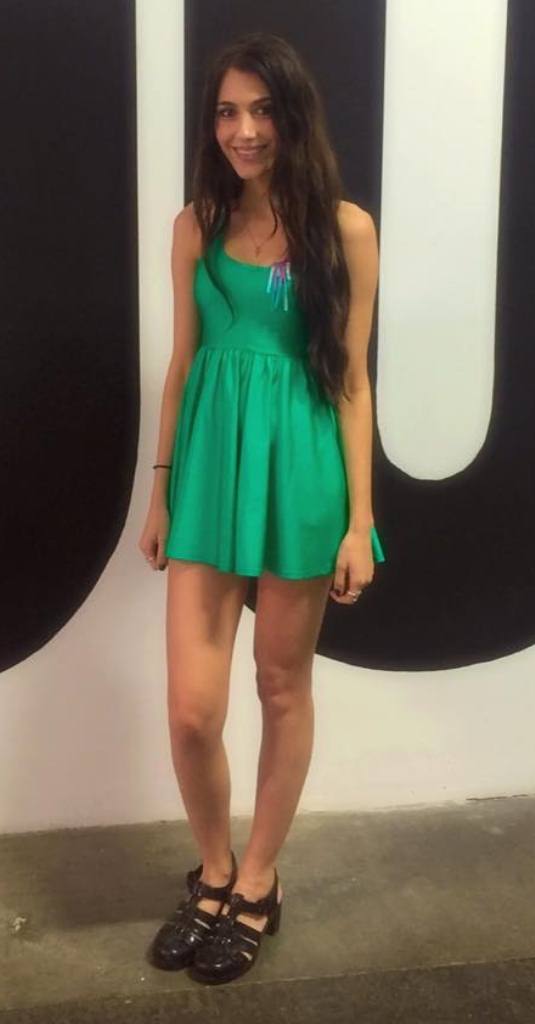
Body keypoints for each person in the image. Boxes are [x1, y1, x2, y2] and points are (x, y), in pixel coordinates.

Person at [138, 30, 386, 986]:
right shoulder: (194, 226)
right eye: (226, 112)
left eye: (261, 110)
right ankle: (211, 869)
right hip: (208, 474)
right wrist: (160, 491)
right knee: (191, 712)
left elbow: (352, 379)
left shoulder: (344, 229)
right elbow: (183, 363)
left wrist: (359, 521)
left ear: (292, 115)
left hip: (301, 478)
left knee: (281, 689)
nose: (243, 130)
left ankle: (256, 882)